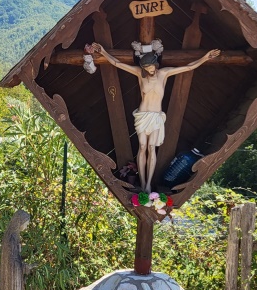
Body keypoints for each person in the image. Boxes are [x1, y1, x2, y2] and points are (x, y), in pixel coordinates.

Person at [89, 42, 220, 193]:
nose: (148, 70)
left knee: (151, 147)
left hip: (156, 117)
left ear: (155, 64)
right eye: (146, 67)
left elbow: (188, 67)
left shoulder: (164, 73)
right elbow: (117, 63)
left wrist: (205, 57)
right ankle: (142, 182)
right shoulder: (140, 73)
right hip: (143, 116)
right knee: (142, 146)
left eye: (150, 66)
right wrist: (103, 52)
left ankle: (148, 185)